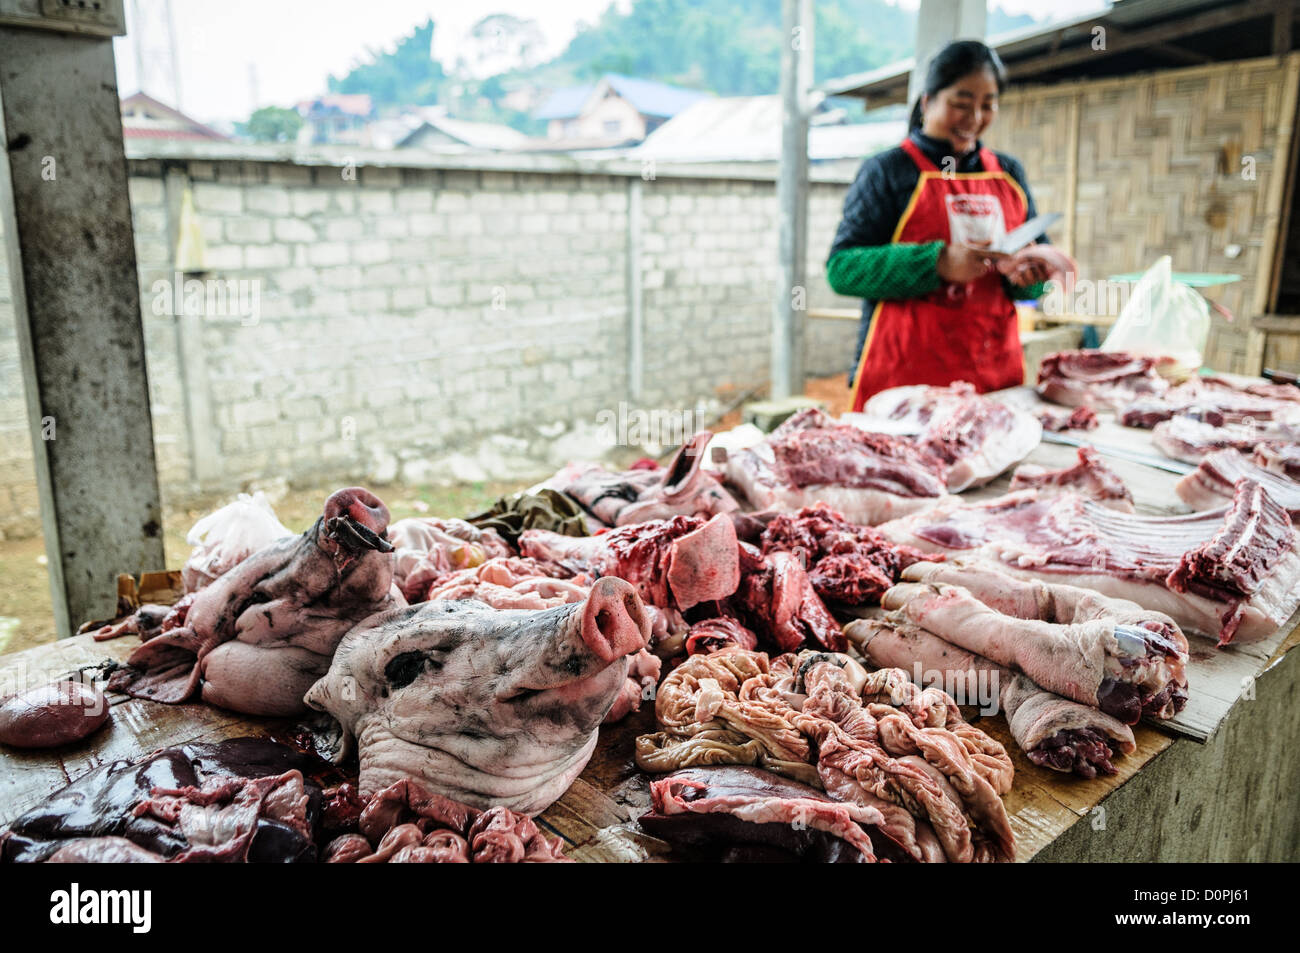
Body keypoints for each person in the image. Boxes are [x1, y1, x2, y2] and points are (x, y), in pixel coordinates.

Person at [826, 40, 1052, 411]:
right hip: (905, 388)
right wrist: (938, 263)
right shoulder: (889, 170)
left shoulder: (1009, 172)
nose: (975, 118)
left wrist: (1029, 275)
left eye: (987, 105)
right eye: (961, 104)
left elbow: (1034, 284)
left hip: (992, 383)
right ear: (928, 101)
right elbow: (842, 269)